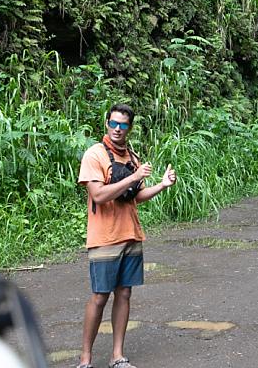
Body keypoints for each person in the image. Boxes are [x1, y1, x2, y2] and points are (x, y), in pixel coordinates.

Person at [76, 104, 177, 368]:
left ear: (129, 127)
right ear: (107, 123)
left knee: (124, 294)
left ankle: (117, 356)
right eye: (114, 124)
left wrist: (161, 185)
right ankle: (85, 359)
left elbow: (136, 196)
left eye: (123, 125)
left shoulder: (132, 157)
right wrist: (133, 176)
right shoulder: (94, 155)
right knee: (100, 296)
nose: (118, 129)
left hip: (131, 234)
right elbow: (98, 194)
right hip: (104, 237)